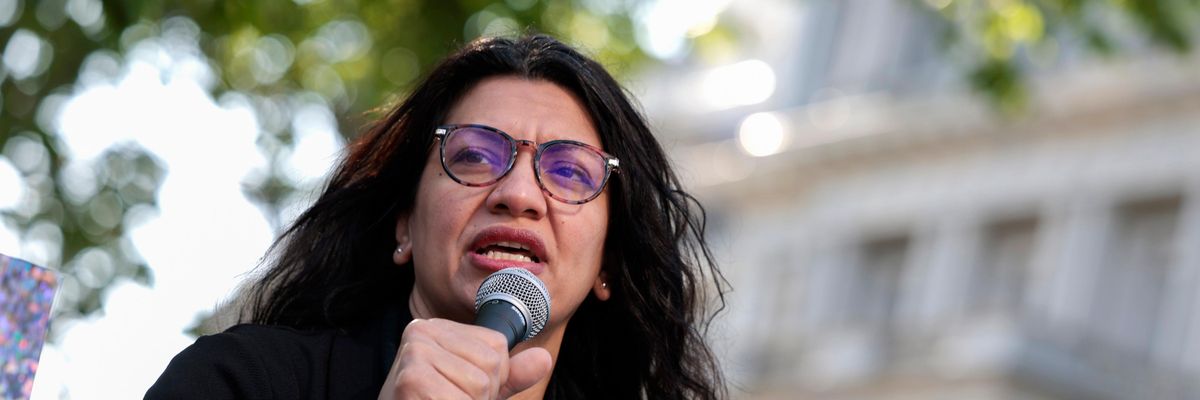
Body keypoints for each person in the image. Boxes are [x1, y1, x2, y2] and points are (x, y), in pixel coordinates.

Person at [146, 33, 728, 399]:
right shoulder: (242, 380)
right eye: (475, 156)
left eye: (570, 171)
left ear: (608, 264)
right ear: (404, 224)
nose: (518, 193)